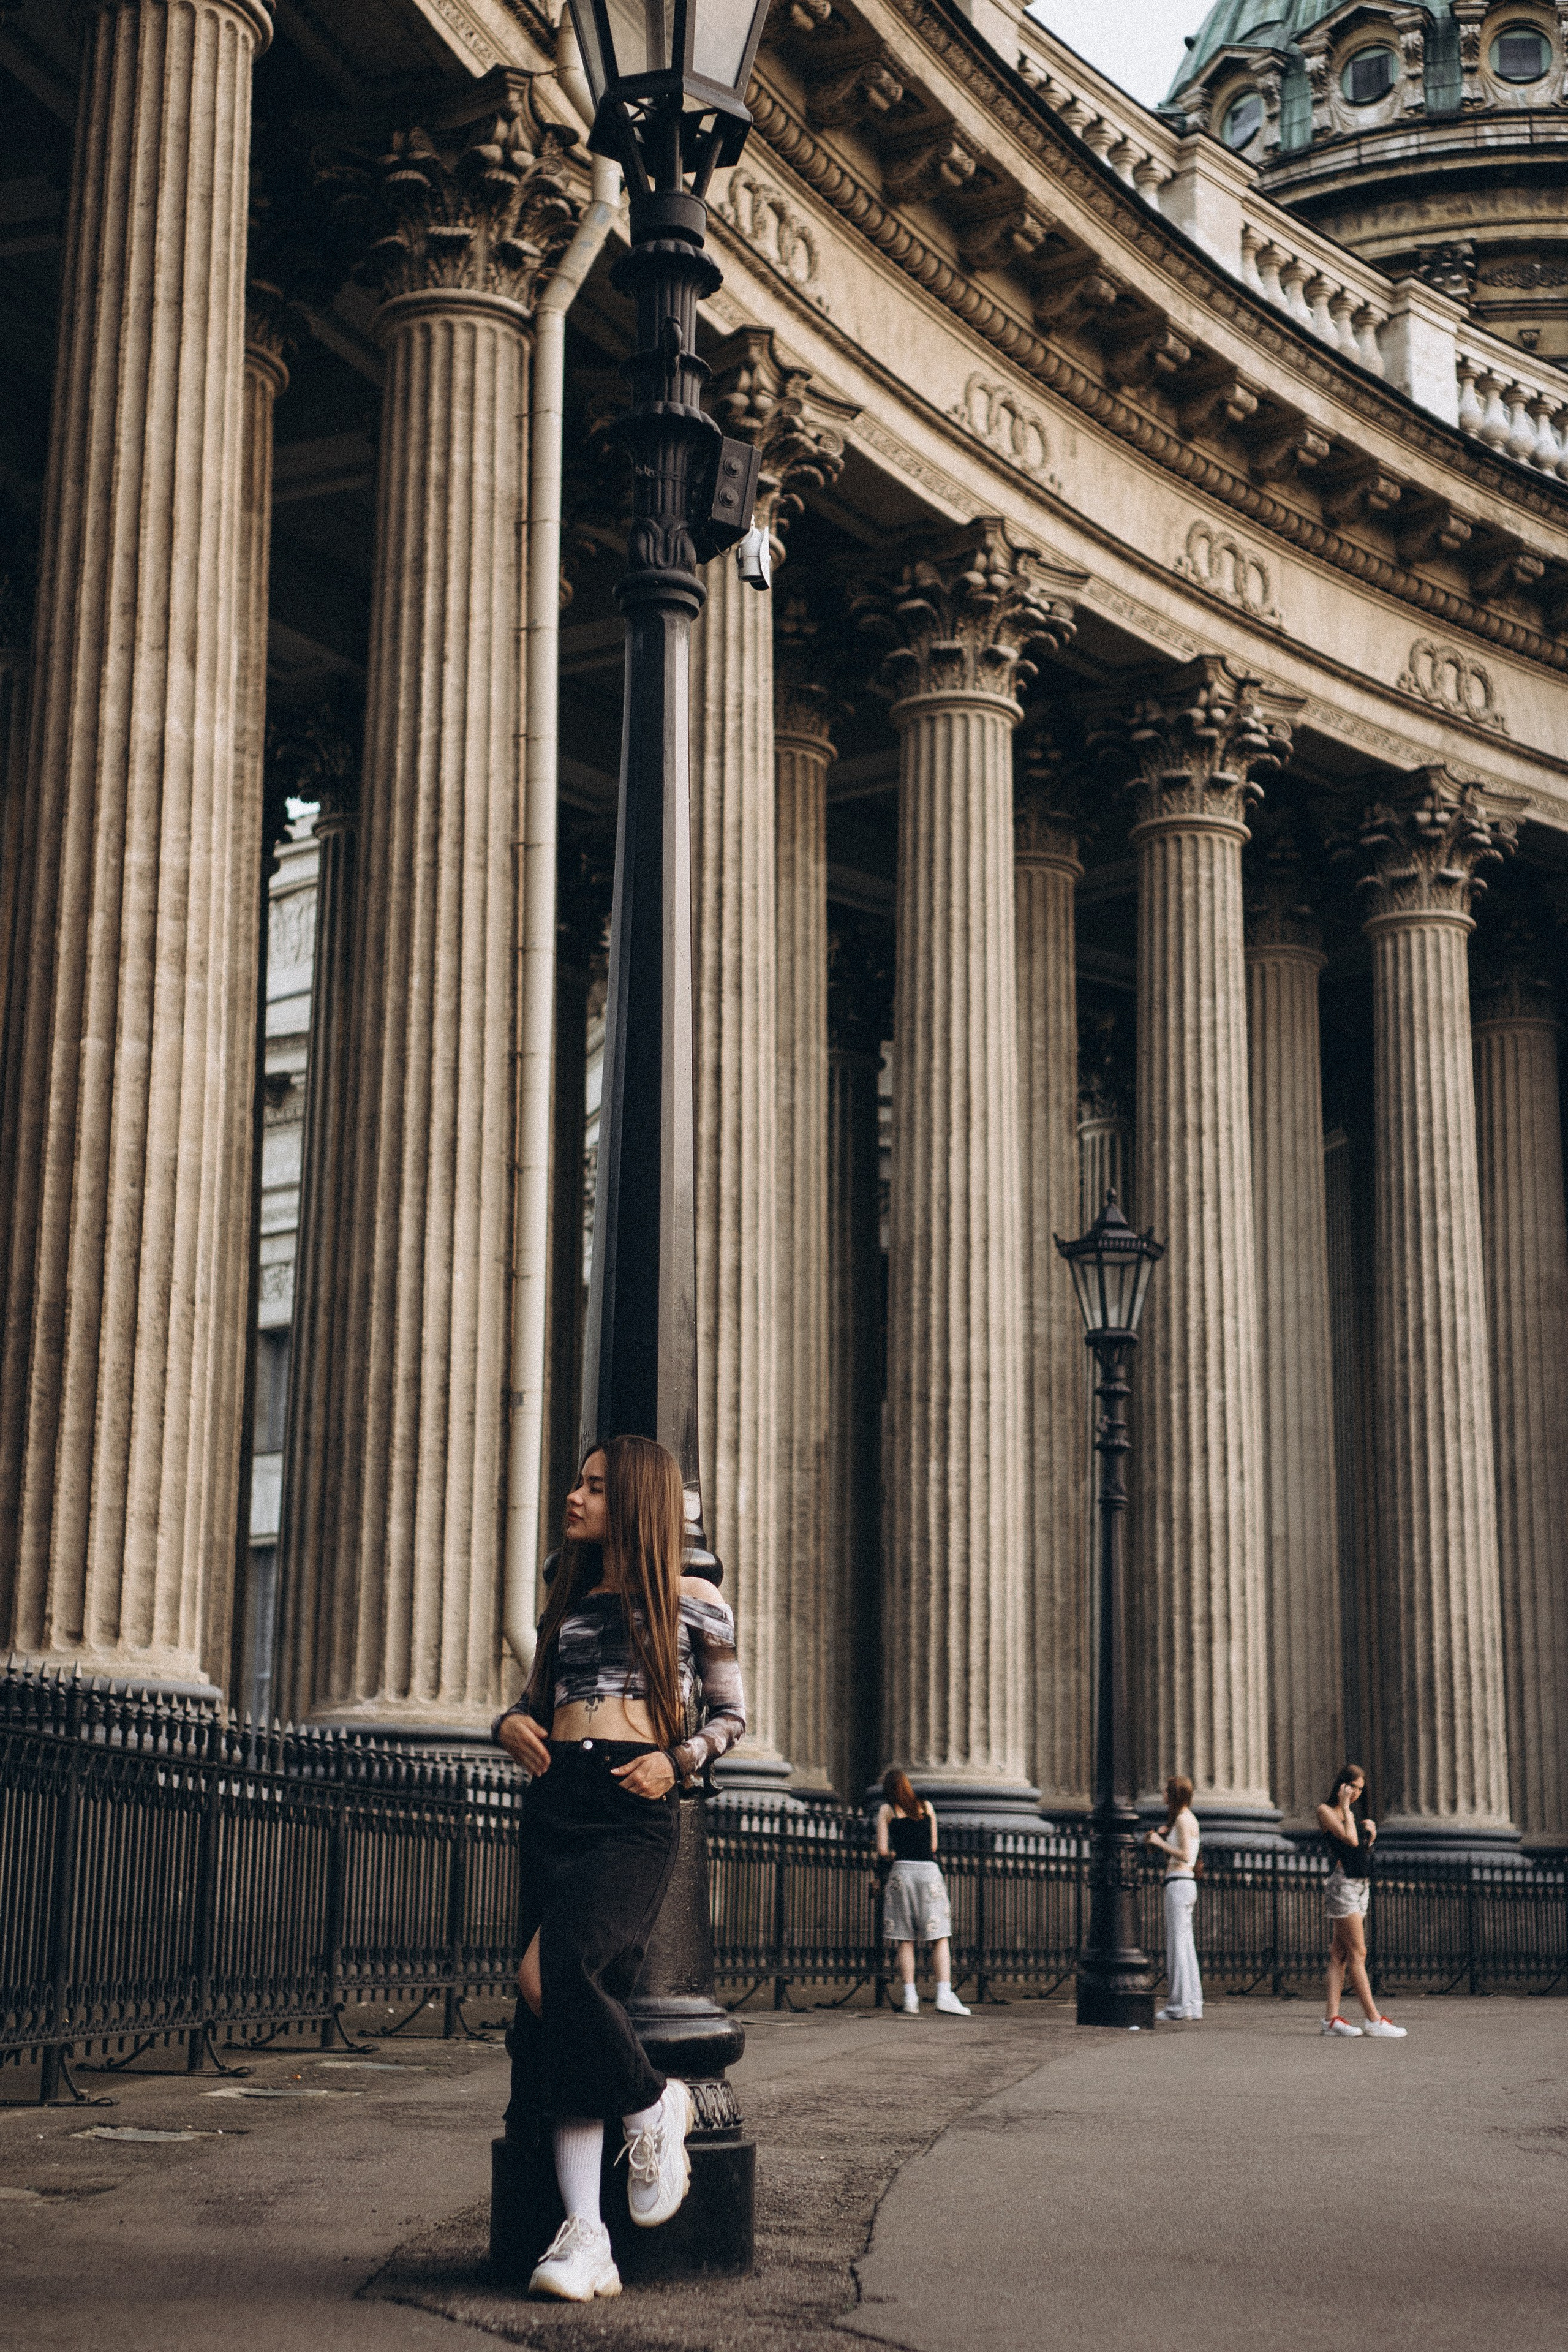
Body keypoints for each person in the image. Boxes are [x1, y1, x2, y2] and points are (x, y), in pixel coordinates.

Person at [493, 1436, 747, 2301]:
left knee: (556, 1975)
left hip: (633, 1804)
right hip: (557, 1798)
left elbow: (730, 1716)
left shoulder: (693, 1599)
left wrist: (678, 1762)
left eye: (596, 1487)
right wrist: (508, 1725)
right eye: (577, 1483)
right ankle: (586, 2237)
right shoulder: (568, 1600)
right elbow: (535, 1704)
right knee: (558, 2011)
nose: (575, 1497)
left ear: (636, 1500)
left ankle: (652, 2102)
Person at [1316, 1765, 1406, 2040]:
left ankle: (1331, 2020)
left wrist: (1372, 1836)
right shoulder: (1327, 1811)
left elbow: (1359, 1851)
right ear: (1341, 1785)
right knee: (1358, 1953)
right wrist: (1346, 1808)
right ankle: (1374, 2019)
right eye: (1352, 1787)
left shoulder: (1349, 1814)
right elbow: (1351, 1841)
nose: (1356, 1793)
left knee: (1339, 1954)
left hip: (1359, 1885)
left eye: (1360, 1789)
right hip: (1343, 1885)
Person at [875, 1769, 969, 2017]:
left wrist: (896, 1854)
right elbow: (933, 1846)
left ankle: (910, 1997)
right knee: (939, 1935)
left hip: (902, 1874)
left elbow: (882, 1851)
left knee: (905, 1938)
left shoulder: (887, 1811)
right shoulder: (926, 1807)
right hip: (928, 1873)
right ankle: (944, 1995)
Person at [1145, 1775, 1202, 2022]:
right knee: (1186, 1946)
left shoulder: (1181, 1819)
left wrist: (1159, 1842)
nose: (1163, 1795)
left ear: (1174, 1794)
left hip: (1178, 1883)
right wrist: (1167, 1834)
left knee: (1177, 1947)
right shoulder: (1189, 1818)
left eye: (1167, 1791)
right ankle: (1193, 2004)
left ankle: (1178, 2006)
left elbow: (1185, 1855)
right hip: (1187, 1884)